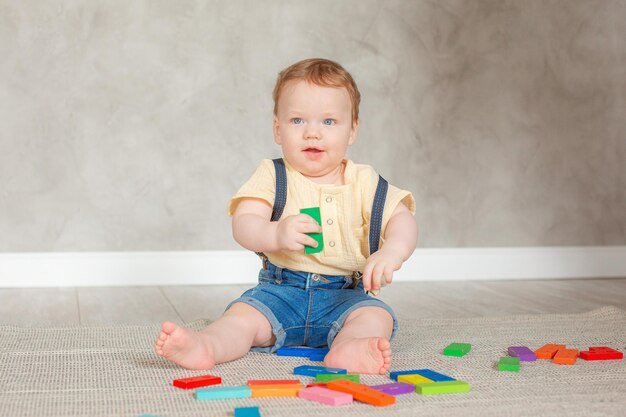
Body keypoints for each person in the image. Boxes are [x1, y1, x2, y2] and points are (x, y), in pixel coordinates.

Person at [155, 58, 418, 375]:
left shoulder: (365, 181)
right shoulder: (273, 174)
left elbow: (402, 220)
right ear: (278, 129)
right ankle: (206, 346)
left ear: (352, 130)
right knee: (242, 319)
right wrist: (275, 234)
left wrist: (392, 251)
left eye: (329, 122)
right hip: (280, 292)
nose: (312, 133)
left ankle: (349, 349)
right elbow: (244, 222)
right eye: (297, 121)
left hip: (345, 296)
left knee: (376, 317)